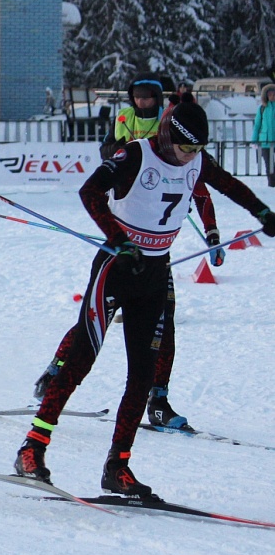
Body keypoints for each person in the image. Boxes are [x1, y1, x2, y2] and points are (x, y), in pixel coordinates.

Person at [14, 102, 275, 497]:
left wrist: (262, 211)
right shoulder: (136, 154)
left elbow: (228, 184)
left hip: (154, 274)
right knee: (82, 358)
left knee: (142, 375)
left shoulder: (196, 160)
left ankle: (118, 466)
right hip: (116, 267)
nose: (191, 157)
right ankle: (33, 446)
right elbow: (90, 192)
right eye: (186, 148)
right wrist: (119, 240)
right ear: (170, 135)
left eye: (197, 150)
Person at [35, 86, 219, 431]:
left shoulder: (184, 143)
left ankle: (159, 401)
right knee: (94, 323)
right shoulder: (132, 124)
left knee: (165, 330)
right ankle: (55, 373)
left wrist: (212, 232)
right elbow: (109, 157)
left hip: (157, 257)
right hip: (123, 245)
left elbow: (202, 189)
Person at [102, 78, 165, 160]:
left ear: (157, 97)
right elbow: (104, 150)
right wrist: (114, 149)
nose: (140, 102)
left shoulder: (166, 118)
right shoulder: (123, 116)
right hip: (126, 169)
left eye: (145, 98)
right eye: (136, 97)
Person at [255, 83, 275, 188]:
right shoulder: (262, 108)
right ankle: (271, 184)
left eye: (274, 94)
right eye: (270, 94)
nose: (272, 96)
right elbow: (257, 125)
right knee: (269, 165)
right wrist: (254, 140)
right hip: (265, 141)